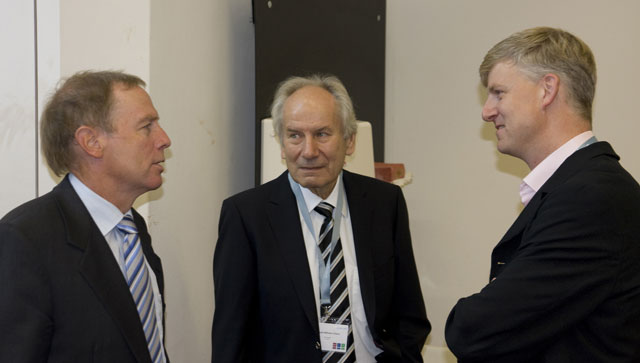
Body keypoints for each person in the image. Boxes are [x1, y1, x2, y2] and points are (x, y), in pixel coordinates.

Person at [445, 27, 640, 362]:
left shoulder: (589, 198)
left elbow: (474, 329)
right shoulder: (582, 186)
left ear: (547, 90)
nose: (487, 111)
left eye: (499, 93)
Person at [211, 74, 430, 363]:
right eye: (294, 135)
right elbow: (230, 336)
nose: (309, 151)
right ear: (281, 144)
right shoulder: (246, 216)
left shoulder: (384, 203)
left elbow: (410, 314)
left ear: (350, 141)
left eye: (322, 134)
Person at [0, 71, 172, 363]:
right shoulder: (26, 240)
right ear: (91, 142)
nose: (164, 140)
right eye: (146, 126)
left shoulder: (133, 230)